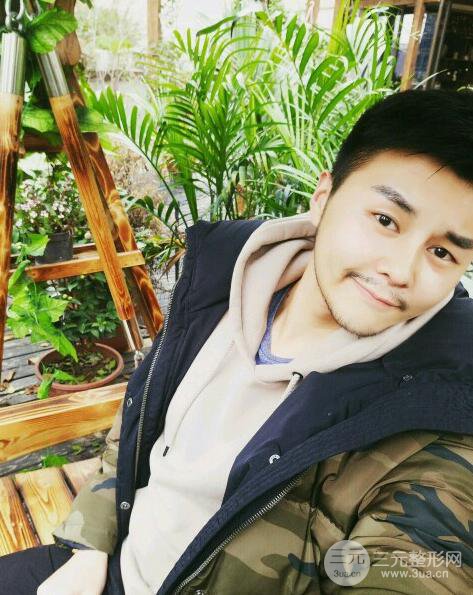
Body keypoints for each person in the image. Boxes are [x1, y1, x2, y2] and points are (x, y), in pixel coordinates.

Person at [1, 88, 473, 594]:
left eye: (443, 252)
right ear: (323, 198)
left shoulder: (438, 414)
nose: (402, 271)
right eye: (385, 221)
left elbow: (421, 562)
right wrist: (89, 547)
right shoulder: (217, 288)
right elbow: (136, 424)